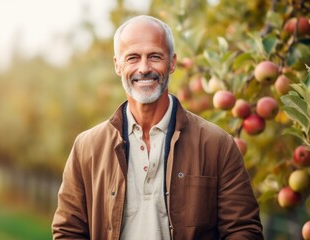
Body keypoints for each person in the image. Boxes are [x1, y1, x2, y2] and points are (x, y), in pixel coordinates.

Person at [52, 15, 264, 239]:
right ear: (117, 65)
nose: (143, 68)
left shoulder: (217, 145)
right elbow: (68, 230)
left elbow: (243, 230)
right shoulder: (87, 147)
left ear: (172, 62)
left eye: (154, 56)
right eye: (132, 58)